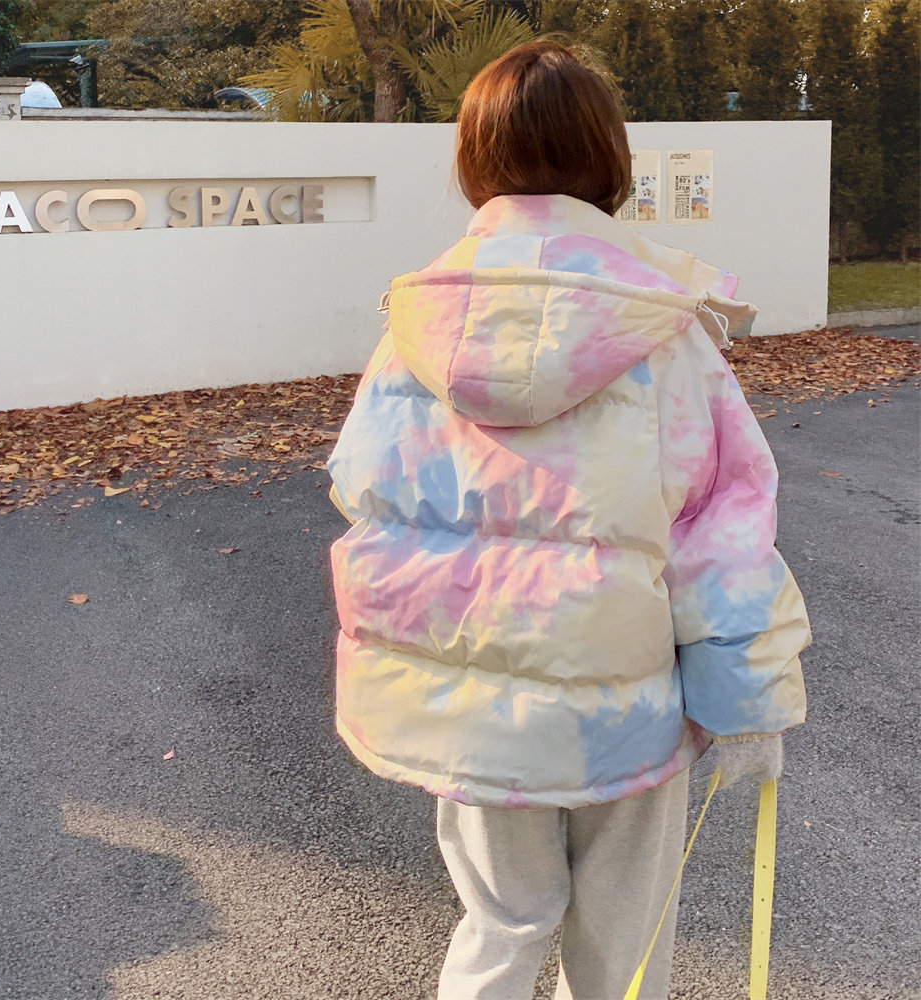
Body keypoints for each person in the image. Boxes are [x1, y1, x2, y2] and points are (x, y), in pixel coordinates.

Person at [327, 41, 811, 1000]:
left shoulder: (416, 329)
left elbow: (368, 498)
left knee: (501, 923)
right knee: (623, 939)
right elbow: (723, 532)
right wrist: (748, 702)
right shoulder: (661, 329)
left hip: (471, 713)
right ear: (608, 158)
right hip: (624, 704)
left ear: (475, 158)